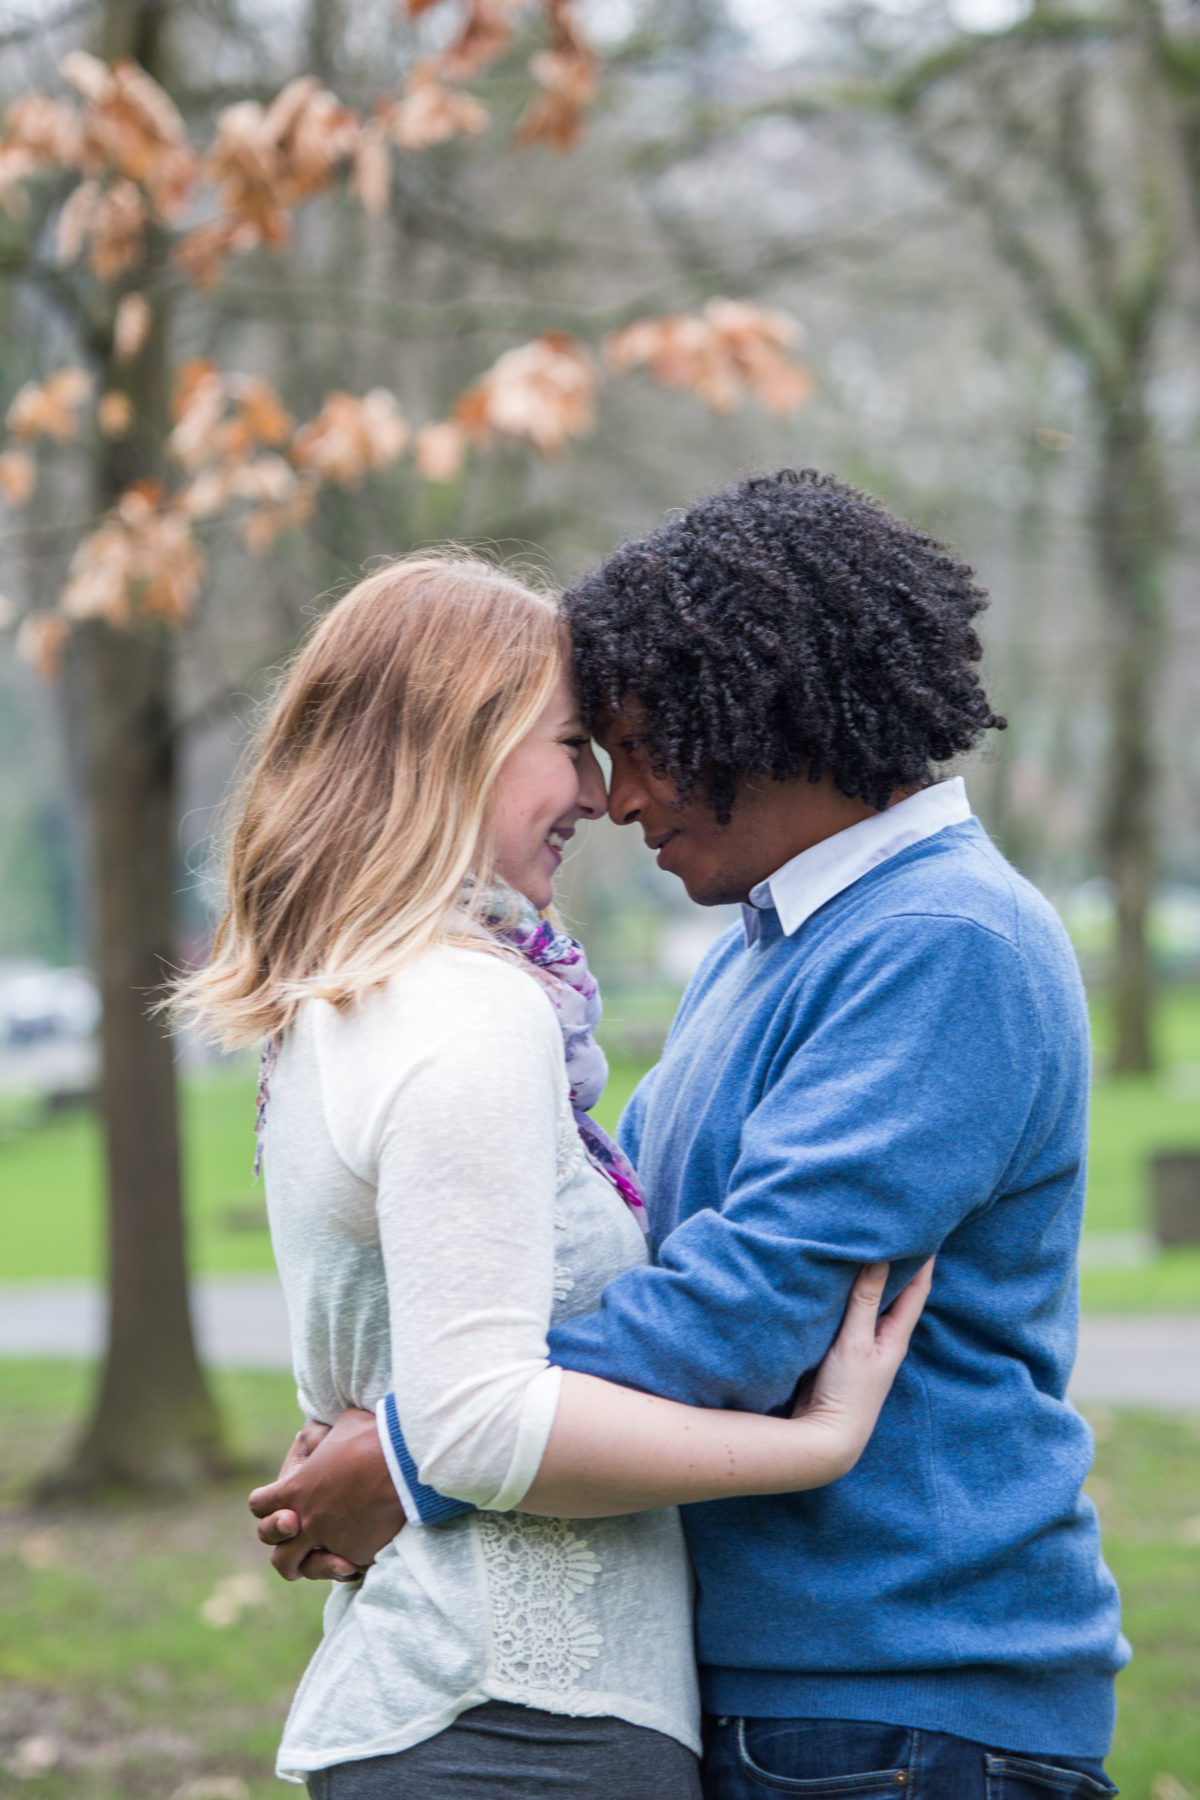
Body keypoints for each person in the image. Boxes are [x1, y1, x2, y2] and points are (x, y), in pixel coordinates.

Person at [255, 473, 1129, 1800]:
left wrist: (417, 1452)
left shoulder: (947, 943)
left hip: (898, 1697)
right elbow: (621, 1257)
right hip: (788, 1691)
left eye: (643, 743)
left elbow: (740, 1319)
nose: (615, 798)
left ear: (757, 720)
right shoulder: (767, 952)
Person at [175, 550, 929, 1800]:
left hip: (451, 1704)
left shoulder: (345, 1005)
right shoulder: (470, 1010)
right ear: (452, 746)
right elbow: (477, 1420)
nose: (599, 789)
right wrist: (817, 1443)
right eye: (570, 742)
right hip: (527, 1727)